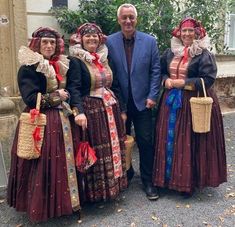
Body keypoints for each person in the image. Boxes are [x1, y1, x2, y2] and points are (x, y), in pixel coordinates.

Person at [7, 27, 81, 222]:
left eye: (52, 42)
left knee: (63, 163)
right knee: (42, 165)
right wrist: (57, 96)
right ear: (37, 44)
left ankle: (63, 205)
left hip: (63, 121)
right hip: (41, 122)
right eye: (45, 42)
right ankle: (41, 208)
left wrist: (67, 99)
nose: (49, 46)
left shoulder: (61, 64)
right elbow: (30, 99)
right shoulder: (29, 66)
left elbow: (70, 89)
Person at [152, 17, 227, 196]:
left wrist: (181, 83)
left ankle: (187, 182)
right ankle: (166, 179)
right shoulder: (170, 52)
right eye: (184, 31)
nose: (187, 34)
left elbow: (208, 79)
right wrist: (166, 80)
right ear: (179, 33)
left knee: (189, 141)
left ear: (197, 33)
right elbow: (161, 71)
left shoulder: (203, 54)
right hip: (170, 103)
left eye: (190, 31)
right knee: (169, 138)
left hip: (193, 103)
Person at [67, 23, 127, 203]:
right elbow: (74, 88)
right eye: (87, 36)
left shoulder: (105, 59)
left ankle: (115, 186)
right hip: (92, 111)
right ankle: (97, 193)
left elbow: (115, 86)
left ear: (100, 39)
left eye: (95, 36)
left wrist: (122, 109)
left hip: (111, 108)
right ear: (81, 39)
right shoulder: (76, 60)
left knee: (114, 146)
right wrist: (79, 112)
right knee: (98, 150)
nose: (92, 39)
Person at [106, 3, 161, 200]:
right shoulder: (108, 42)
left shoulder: (150, 41)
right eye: (124, 17)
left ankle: (148, 180)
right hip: (119, 102)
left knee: (146, 142)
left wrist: (153, 96)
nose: (128, 21)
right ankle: (126, 175)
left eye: (131, 17)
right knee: (121, 142)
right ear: (118, 20)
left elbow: (156, 71)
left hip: (143, 102)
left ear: (136, 20)